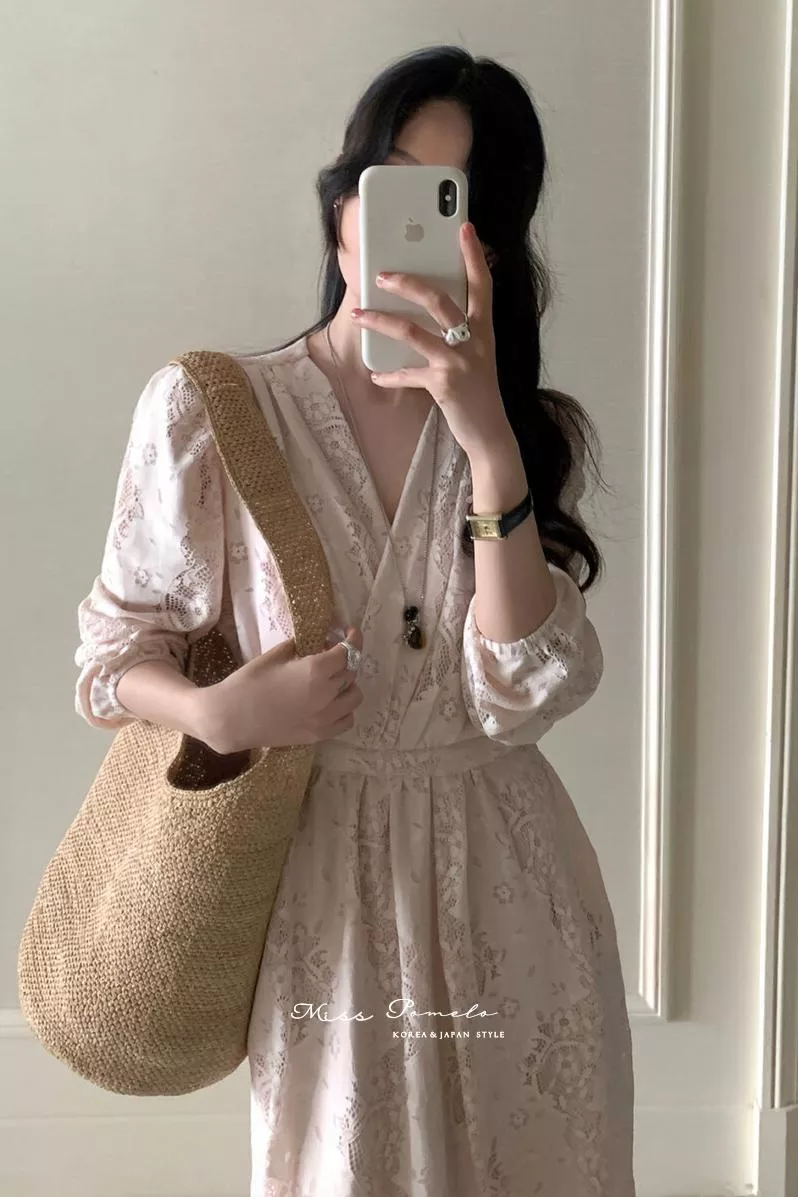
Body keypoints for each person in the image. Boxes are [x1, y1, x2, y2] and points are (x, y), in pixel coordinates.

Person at [74, 43, 635, 1197]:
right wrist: (220, 712)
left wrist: (487, 440)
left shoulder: (514, 432)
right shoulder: (216, 414)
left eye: (451, 207)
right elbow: (110, 658)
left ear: (490, 246)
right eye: (390, 186)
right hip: (323, 896)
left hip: (512, 892)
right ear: (341, 205)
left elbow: (521, 691)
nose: (401, 233)